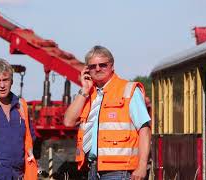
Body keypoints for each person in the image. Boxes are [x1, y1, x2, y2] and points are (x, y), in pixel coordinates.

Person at [64, 45, 151, 180]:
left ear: (112, 66)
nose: (98, 69)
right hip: (92, 168)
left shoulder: (128, 90)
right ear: (87, 70)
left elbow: (144, 130)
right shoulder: (88, 94)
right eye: (92, 66)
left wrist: (142, 165)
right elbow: (68, 122)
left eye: (103, 65)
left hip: (120, 171)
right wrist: (84, 90)